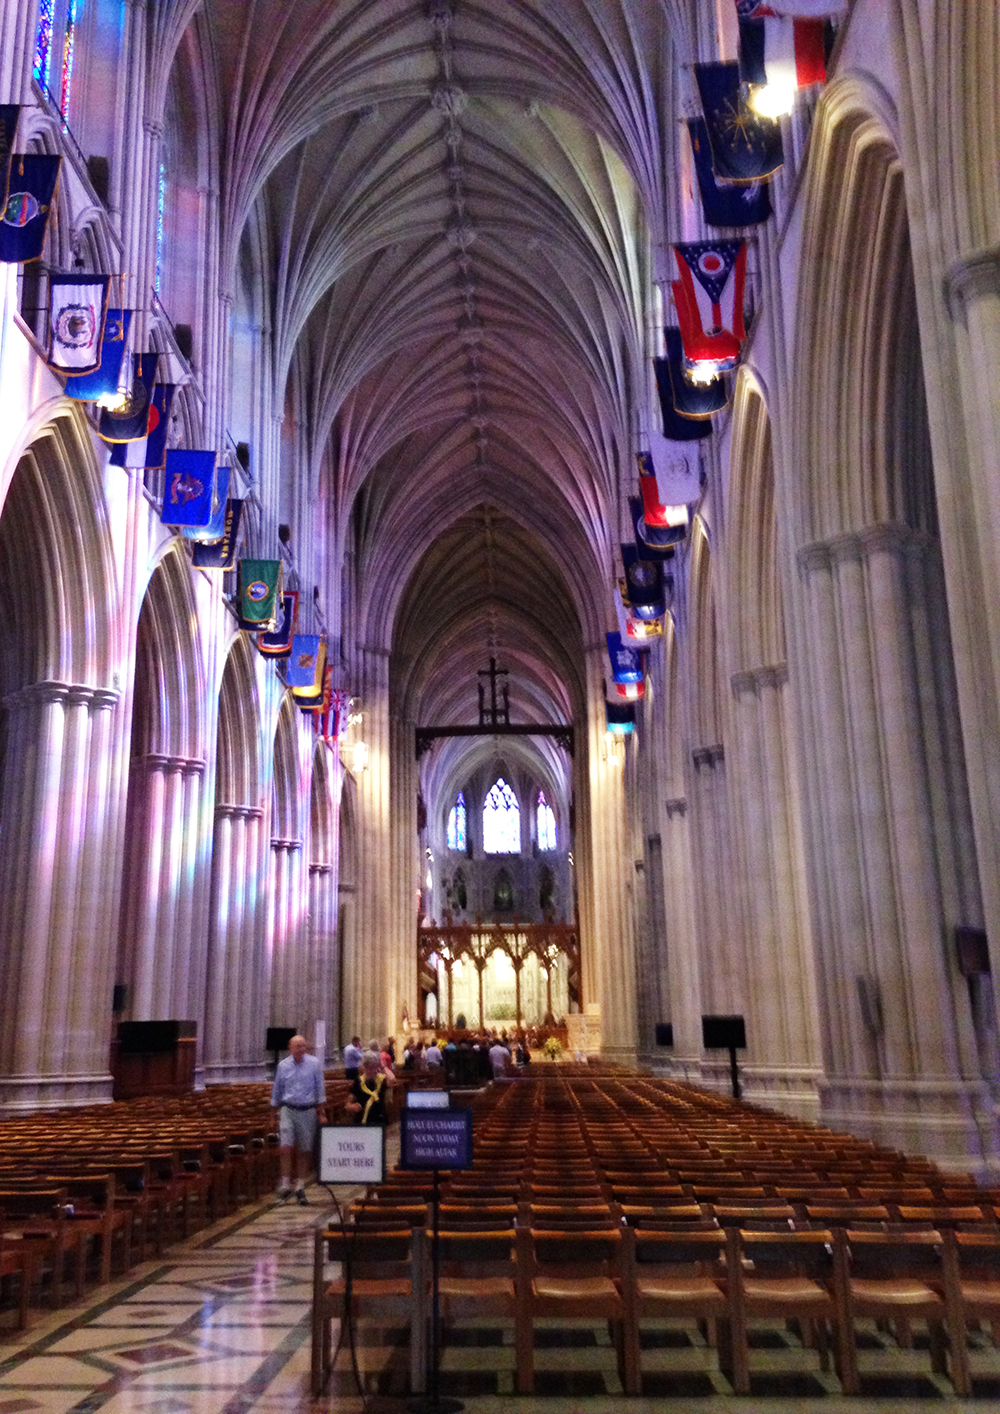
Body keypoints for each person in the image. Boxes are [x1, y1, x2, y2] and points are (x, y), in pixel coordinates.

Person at [270, 1034, 326, 1204]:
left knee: (305, 1149)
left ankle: (300, 1186)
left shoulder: (314, 1064)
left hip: (307, 1110)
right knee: (285, 1147)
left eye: (303, 1046)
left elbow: (320, 1088)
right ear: (290, 1048)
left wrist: (321, 1112)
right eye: (297, 1046)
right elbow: (277, 1089)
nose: (301, 1049)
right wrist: (273, 1114)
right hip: (288, 1109)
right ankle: (285, 1185)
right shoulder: (283, 1066)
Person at [345, 1049, 394, 1125]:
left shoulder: (382, 1080)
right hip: (361, 1121)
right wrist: (352, 1106)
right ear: (364, 1067)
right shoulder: (359, 1081)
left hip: (379, 1120)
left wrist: (383, 1066)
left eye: (375, 1067)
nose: (373, 1070)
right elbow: (348, 1104)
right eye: (370, 1067)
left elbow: (392, 1079)